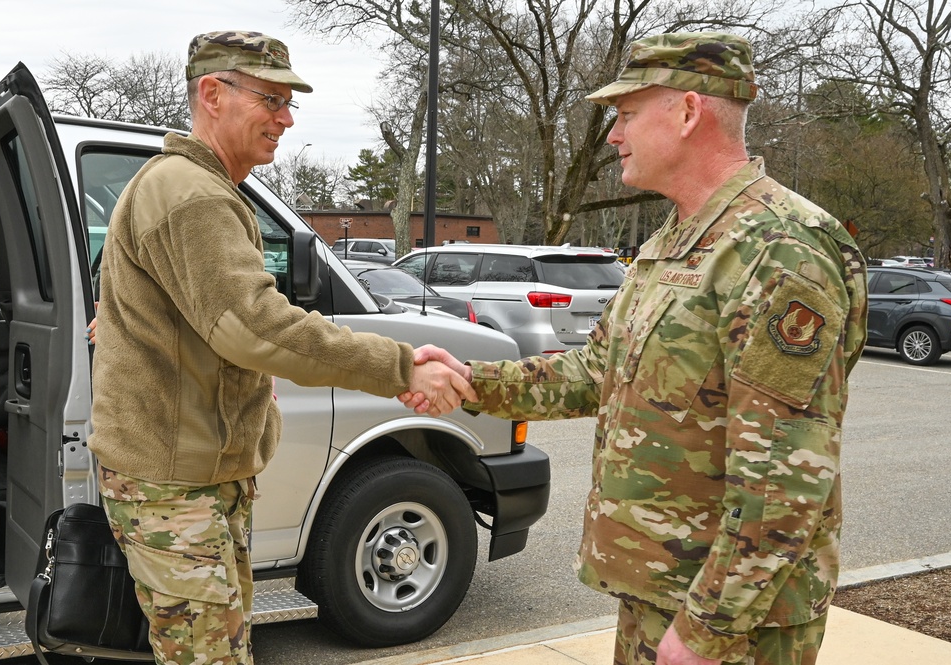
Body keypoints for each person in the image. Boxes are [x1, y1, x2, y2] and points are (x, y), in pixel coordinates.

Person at [407, 32, 868, 665]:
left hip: (734, 622)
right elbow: (597, 370)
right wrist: (472, 378)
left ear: (686, 111)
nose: (614, 135)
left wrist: (710, 628)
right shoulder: (673, 242)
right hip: (664, 590)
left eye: (625, 114)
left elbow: (783, 477)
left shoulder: (776, 248)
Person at [87, 30, 474, 665]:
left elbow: (203, 328)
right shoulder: (192, 196)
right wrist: (400, 365)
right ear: (213, 94)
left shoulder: (198, 189)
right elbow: (256, 326)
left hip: (200, 483)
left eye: (288, 102)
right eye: (270, 99)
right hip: (177, 490)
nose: (286, 118)